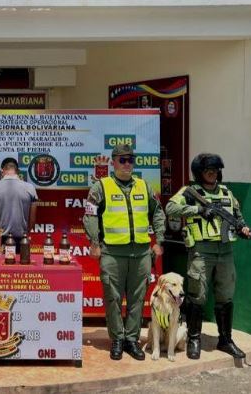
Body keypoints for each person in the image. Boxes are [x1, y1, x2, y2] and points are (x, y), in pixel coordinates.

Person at [165, 153, 251, 360]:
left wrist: (244, 229)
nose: (213, 174)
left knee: (226, 295)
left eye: (215, 170)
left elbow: (238, 218)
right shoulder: (191, 192)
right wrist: (198, 209)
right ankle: (194, 339)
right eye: (208, 170)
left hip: (225, 251)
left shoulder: (226, 193)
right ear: (199, 173)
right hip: (201, 251)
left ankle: (225, 339)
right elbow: (170, 207)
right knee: (197, 294)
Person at [83, 144, 165, 361]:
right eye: (122, 160)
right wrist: (94, 242)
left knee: (138, 299)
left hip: (141, 254)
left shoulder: (144, 186)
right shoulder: (101, 187)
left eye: (130, 159)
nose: (127, 164)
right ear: (113, 162)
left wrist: (159, 240)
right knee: (113, 299)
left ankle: (132, 340)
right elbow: (90, 215)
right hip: (112, 254)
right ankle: (117, 339)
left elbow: (157, 212)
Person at [0, 157, 38, 251]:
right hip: (22, 239)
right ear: (18, 171)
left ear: (2, 172)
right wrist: (26, 233)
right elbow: (32, 220)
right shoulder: (30, 188)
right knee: (21, 264)